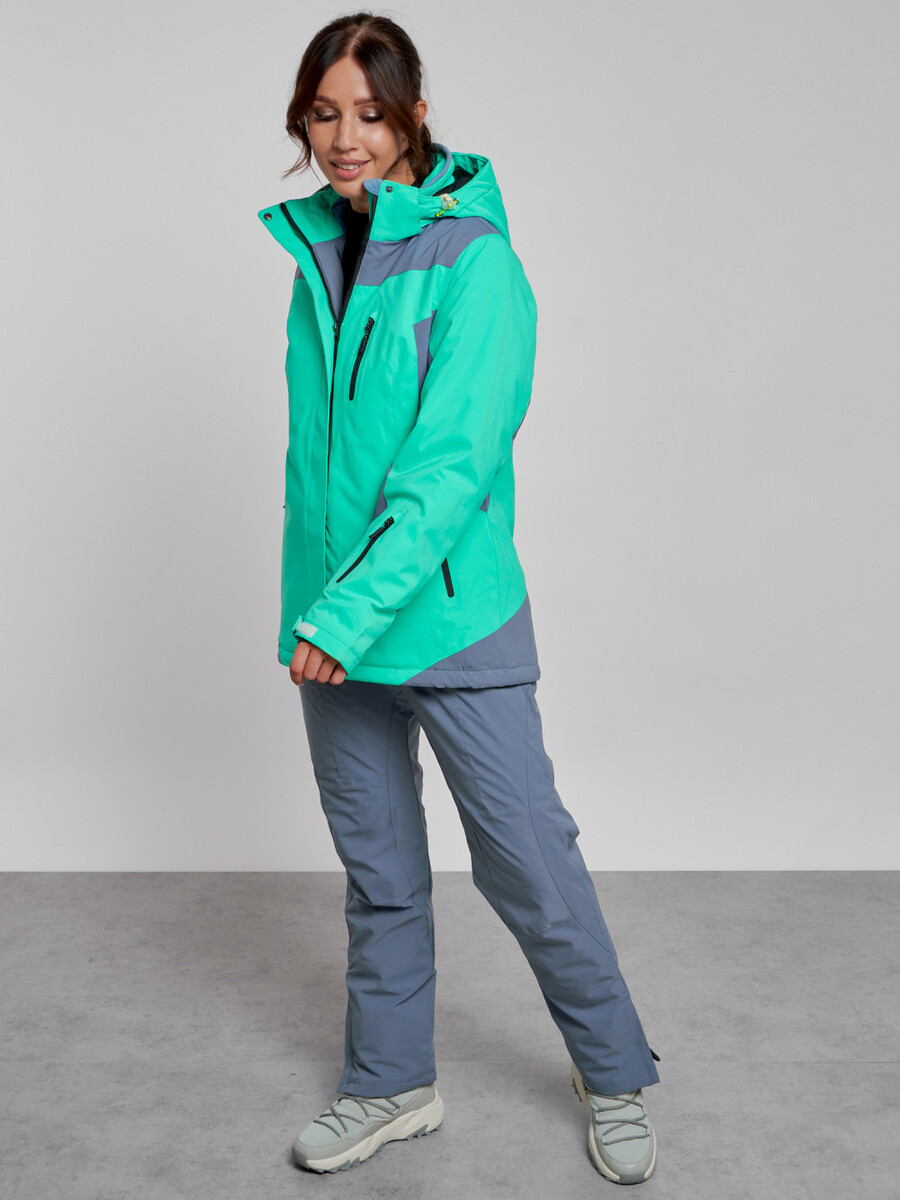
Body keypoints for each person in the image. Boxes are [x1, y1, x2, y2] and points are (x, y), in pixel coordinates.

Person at [257, 11, 661, 1185]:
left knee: (530, 865)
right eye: (323, 114)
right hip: (334, 634)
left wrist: (341, 617)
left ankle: (615, 1072)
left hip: (446, 621)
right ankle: (391, 1084)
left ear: (415, 115)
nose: (345, 137)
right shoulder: (316, 255)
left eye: (369, 113)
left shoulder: (476, 261)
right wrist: (317, 612)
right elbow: (319, 465)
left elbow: (448, 470)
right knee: (379, 875)